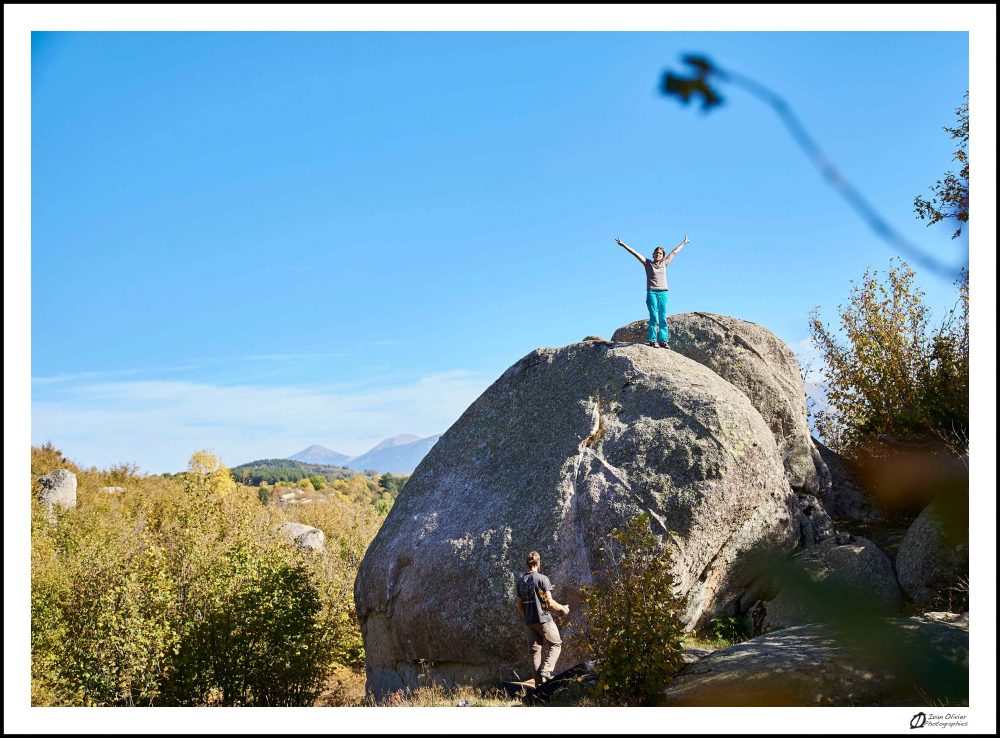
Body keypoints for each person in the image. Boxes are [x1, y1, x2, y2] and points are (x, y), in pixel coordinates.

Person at [614, 234, 690, 348]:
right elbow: (635, 253)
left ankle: (663, 341)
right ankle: (653, 339)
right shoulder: (647, 263)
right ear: (653, 254)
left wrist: (684, 242)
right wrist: (623, 244)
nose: (657, 254)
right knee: (654, 316)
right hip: (652, 292)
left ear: (663, 255)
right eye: (656, 253)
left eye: (660, 253)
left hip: (663, 292)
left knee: (663, 317)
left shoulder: (664, 263)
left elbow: (674, 252)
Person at [516, 551, 569, 685]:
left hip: (530, 621)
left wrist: (527, 618)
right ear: (538, 563)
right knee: (556, 644)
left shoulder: (521, 581)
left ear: (526, 564)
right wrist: (563, 609)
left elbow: (520, 605)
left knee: (534, 653)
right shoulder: (542, 579)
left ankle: (538, 686)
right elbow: (549, 603)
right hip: (544, 619)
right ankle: (547, 669)